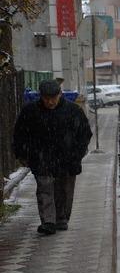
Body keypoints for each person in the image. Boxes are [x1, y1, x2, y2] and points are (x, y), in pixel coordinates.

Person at [12, 80, 93, 235]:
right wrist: (23, 153)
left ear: (60, 95)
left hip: (67, 159)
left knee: (65, 190)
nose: (50, 102)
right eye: (46, 98)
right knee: (45, 189)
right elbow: (20, 134)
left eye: (53, 98)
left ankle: (61, 218)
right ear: (41, 96)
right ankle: (48, 222)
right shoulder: (30, 111)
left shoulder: (73, 110)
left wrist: (77, 154)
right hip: (41, 158)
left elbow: (84, 134)